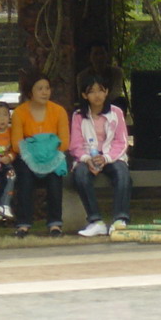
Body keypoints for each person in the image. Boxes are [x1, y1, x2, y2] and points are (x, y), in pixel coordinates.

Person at [69, 75, 132, 237]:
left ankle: (119, 219)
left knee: (122, 172)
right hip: (88, 158)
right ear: (84, 95)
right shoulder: (78, 115)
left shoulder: (116, 112)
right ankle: (95, 221)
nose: (97, 95)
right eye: (92, 92)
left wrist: (106, 158)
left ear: (107, 92)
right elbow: (75, 144)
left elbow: (122, 141)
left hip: (112, 156)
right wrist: (87, 158)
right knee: (81, 174)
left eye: (100, 91)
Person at [11, 72, 69, 238]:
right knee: (25, 179)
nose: (45, 92)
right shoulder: (20, 113)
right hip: (28, 156)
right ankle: (23, 224)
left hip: (53, 155)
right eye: (40, 89)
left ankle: (55, 224)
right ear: (30, 92)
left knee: (54, 179)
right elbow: (16, 144)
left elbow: (64, 142)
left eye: (47, 88)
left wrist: (48, 152)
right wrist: (34, 152)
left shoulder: (59, 111)